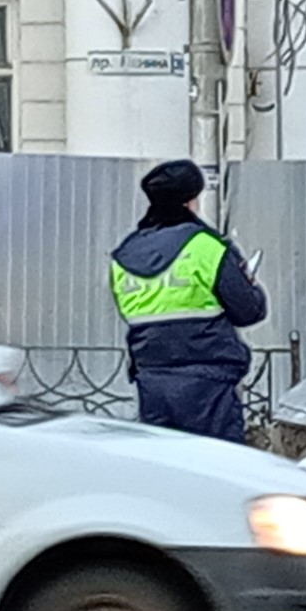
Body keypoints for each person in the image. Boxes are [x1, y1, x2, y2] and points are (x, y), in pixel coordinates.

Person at [109, 160, 267, 443]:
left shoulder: (124, 255)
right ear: (190, 201)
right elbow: (249, 311)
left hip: (152, 383)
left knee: (169, 472)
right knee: (220, 470)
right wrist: (249, 283)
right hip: (207, 383)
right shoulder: (206, 246)